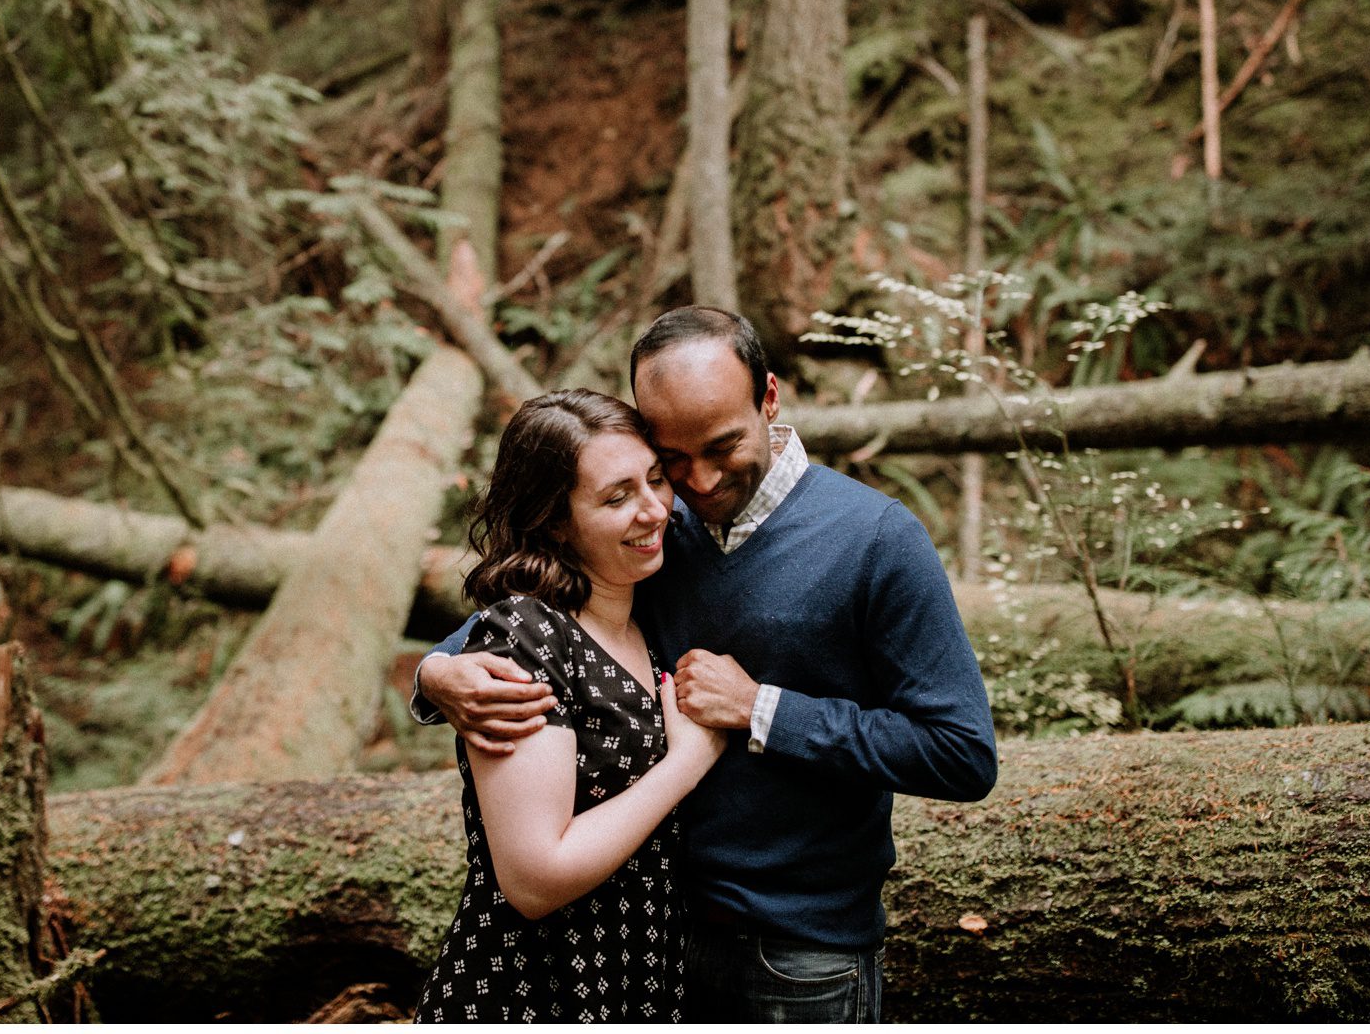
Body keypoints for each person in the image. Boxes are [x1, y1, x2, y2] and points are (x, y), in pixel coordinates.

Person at [417, 306, 999, 1022]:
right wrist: (436, 673)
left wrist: (762, 710)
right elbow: (530, 616)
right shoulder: (656, 527)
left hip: (799, 953)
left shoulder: (878, 540)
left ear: (770, 397)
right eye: (672, 459)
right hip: (654, 946)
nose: (697, 481)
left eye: (722, 446)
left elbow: (961, 754)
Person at [415, 389, 727, 1023]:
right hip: (532, 989)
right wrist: (686, 764)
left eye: (656, 480)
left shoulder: (645, 617)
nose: (654, 510)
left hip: (639, 983)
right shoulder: (526, 639)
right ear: (555, 520)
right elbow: (533, 880)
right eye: (616, 498)